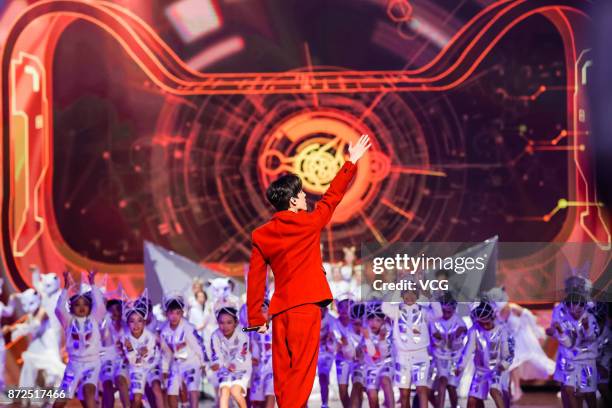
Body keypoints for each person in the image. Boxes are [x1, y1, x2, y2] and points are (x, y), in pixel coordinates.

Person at [247, 134, 371, 406]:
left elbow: (254, 279)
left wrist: (256, 317)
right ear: (292, 201)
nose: (305, 196)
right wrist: (351, 162)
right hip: (305, 310)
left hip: (280, 312)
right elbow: (332, 197)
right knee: (301, 374)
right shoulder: (309, 223)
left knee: (283, 376)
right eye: (301, 194)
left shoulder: (261, 234)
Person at [53, 270, 106, 408]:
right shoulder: (68, 321)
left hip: (92, 364)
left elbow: (100, 305)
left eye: (85, 304)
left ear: (90, 307)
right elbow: (59, 308)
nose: (81, 307)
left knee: (89, 392)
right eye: (77, 304)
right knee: (59, 402)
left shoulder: (95, 319)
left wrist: (92, 283)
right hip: (73, 365)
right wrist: (65, 287)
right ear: (71, 308)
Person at [382, 287, 442, 408]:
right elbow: (384, 307)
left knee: (421, 389)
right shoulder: (396, 311)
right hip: (402, 356)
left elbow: (438, 313)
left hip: (421, 355)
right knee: (404, 393)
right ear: (402, 295)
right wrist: (393, 290)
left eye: (413, 294)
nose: (409, 297)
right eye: (406, 294)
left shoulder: (424, 311)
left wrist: (431, 297)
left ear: (418, 296)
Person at [457, 300, 514, 408]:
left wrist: (504, 364)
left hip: (498, 369)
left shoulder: (502, 330)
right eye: (481, 323)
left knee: (495, 390)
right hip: (481, 371)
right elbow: (468, 350)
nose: (485, 326)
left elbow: (508, 353)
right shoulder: (474, 331)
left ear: (492, 318)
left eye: (487, 323)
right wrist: (460, 366)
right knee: (472, 400)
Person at [550, 292, 599, 408]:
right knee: (570, 389)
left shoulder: (590, 318)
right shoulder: (565, 320)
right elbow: (568, 343)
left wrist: (587, 329)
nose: (575, 313)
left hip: (587, 361)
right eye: (572, 310)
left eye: (578, 311)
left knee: (588, 394)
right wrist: (560, 332)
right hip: (571, 361)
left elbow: (593, 337)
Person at [160, 294, 206, 408]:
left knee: (192, 388)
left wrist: (202, 363)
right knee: (171, 392)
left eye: (178, 313)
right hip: (177, 364)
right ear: (167, 314)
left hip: (192, 362)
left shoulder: (188, 327)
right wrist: (165, 369)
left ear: (182, 313)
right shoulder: (164, 331)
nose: (174, 316)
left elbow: (198, 346)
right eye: (171, 313)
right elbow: (166, 352)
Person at [120, 290, 165, 408]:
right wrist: (131, 351)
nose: (136, 324)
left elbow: (158, 350)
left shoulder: (153, 332)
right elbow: (133, 360)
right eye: (133, 321)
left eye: (140, 320)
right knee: (136, 398)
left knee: (156, 389)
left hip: (152, 365)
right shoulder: (126, 336)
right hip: (136, 368)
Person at [429, 292, 467, 408]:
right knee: (438, 384)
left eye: (448, 311)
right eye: (443, 311)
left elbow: (457, 345)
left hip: (455, 358)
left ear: (454, 309)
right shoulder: (435, 320)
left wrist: (455, 337)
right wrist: (441, 339)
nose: (445, 314)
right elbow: (435, 341)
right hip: (439, 358)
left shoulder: (459, 321)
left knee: (451, 387)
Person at [210, 306, 251, 408]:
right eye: (221, 323)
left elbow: (242, 354)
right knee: (224, 393)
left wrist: (232, 364)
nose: (225, 326)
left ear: (236, 322)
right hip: (225, 367)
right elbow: (216, 355)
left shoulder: (242, 334)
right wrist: (218, 364)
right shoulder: (215, 336)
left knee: (235, 392)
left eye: (229, 322)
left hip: (242, 367)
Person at [360, 301, 394, 408]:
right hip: (371, 366)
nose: (373, 323)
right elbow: (372, 354)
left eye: (378, 320)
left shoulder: (388, 330)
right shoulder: (365, 331)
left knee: (385, 381)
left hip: (386, 364)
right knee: (372, 395)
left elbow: (384, 355)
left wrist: (382, 340)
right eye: (371, 320)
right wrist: (367, 339)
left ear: (383, 321)